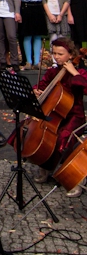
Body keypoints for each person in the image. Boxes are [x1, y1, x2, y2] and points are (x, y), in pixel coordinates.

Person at [33, 37, 87, 197]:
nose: (56, 57)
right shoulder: (53, 72)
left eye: (60, 54)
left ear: (71, 55)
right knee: (37, 135)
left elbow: (85, 87)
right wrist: (37, 91)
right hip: (55, 114)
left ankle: (76, 179)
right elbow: (41, 85)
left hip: (74, 116)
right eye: (54, 53)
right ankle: (46, 166)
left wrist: (74, 72)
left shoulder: (80, 72)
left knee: (63, 137)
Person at [17, 0, 45, 69]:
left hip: (37, 7)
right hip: (26, 7)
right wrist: (18, 12)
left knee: (37, 35)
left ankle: (37, 61)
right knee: (27, 35)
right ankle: (28, 61)